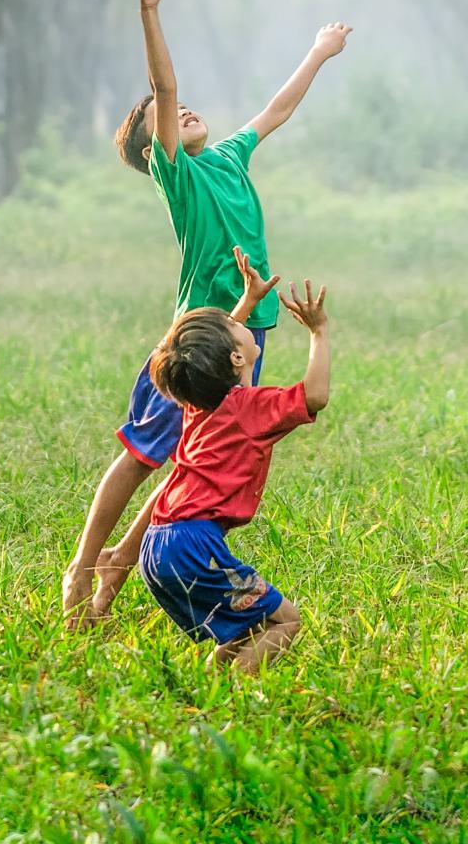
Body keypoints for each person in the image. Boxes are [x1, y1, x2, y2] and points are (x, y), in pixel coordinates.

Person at [60, 0, 350, 626]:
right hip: (198, 336)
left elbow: (275, 110)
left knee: (192, 467)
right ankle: (83, 568)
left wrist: (317, 52)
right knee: (141, 455)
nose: (182, 109)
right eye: (164, 116)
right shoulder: (179, 176)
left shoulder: (225, 157)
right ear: (150, 148)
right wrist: (149, 9)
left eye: (186, 107)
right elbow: (163, 87)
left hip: (248, 332)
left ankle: (109, 590)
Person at [137, 263, 331, 672]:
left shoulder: (199, 402)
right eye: (235, 327)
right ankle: (236, 696)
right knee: (286, 621)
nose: (237, 323)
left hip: (157, 546)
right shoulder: (250, 409)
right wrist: (319, 332)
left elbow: (213, 353)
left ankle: (211, 683)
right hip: (193, 548)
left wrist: (248, 301)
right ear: (237, 356)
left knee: (247, 626)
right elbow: (315, 395)